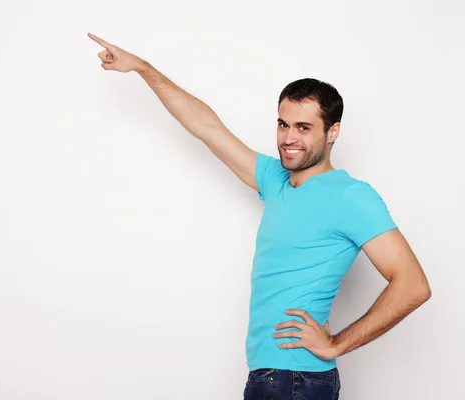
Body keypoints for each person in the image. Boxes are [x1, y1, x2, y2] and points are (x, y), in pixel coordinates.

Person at [87, 33, 432, 400]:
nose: (288, 137)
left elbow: (413, 285)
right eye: (283, 124)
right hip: (271, 376)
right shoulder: (276, 180)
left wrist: (336, 344)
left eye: (303, 127)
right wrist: (142, 68)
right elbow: (207, 127)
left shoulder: (351, 197)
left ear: (332, 132)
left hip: (296, 379)